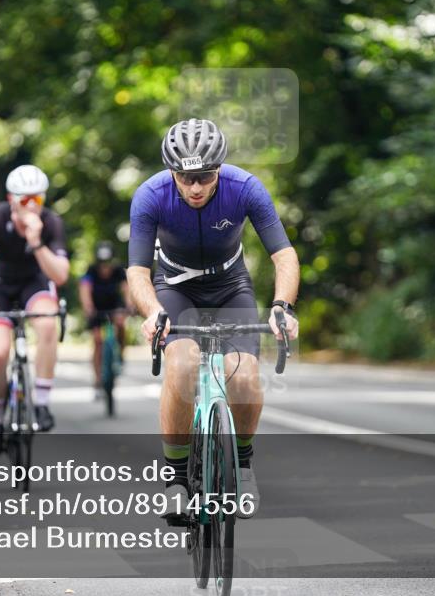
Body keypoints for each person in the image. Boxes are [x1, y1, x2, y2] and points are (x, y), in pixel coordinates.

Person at [127, 118, 301, 519]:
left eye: (205, 176)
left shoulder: (245, 188)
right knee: (183, 363)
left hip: (229, 286)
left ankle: (243, 464)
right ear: (172, 172)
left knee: (243, 375)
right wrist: (153, 312)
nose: (195, 187)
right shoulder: (150, 195)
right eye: (185, 177)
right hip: (175, 287)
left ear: (219, 168)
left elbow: (284, 256)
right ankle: (175, 477)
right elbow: (137, 271)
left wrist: (282, 307)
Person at [0, 164, 70, 454]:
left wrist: (36, 242)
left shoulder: (51, 222)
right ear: (11, 199)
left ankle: (41, 403)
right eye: (25, 199)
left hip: (33, 282)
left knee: (48, 323)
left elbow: (60, 276)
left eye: (37, 199)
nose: (31, 206)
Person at [79, 241, 131, 397]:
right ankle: (97, 380)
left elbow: (126, 289)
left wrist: (129, 305)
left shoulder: (118, 271)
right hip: (96, 309)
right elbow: (85, 288)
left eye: (107, 263)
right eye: (102, 263)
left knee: (121, 325)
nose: (105, 267)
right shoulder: (91, 271)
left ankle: (120, 354)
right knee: (97, 341)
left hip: (115, 306)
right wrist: (88, 307)